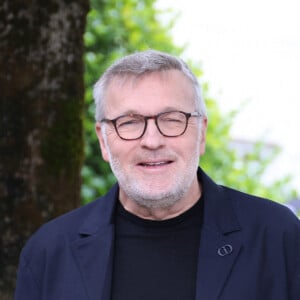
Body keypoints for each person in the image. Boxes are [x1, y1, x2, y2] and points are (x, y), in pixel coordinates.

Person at [14, 50, 300, 300]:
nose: (152, 140)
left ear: (201, 133)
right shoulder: (50, 252)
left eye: (172, 120)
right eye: (129, 122)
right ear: (103, 140)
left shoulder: (278, 237)